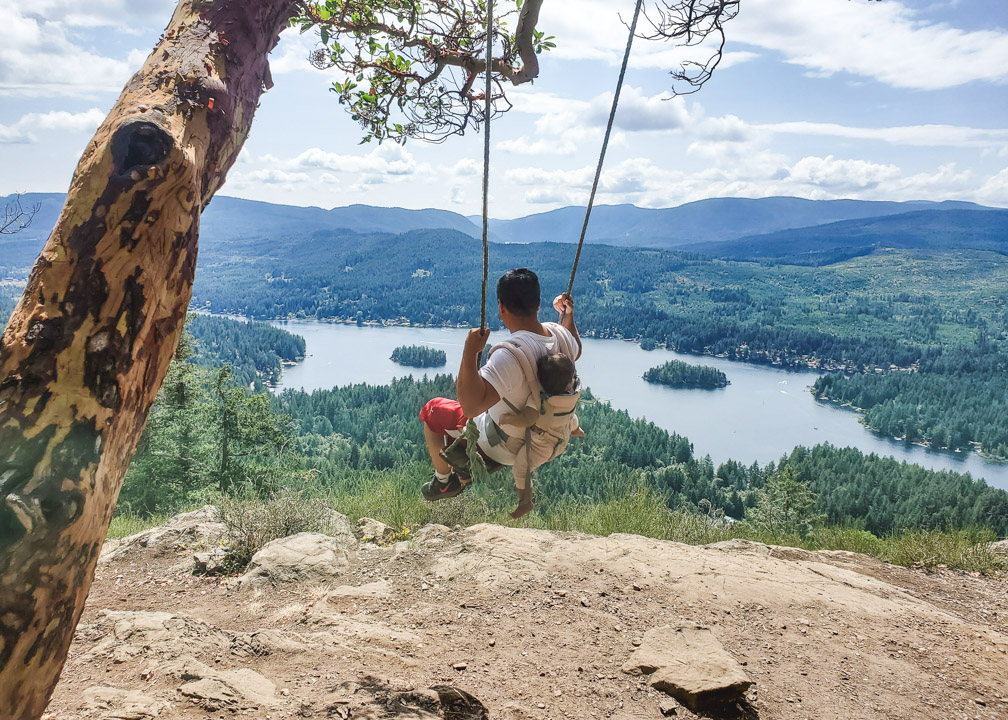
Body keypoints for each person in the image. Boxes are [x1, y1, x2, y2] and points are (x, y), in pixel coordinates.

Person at [419, 268, 582, 508]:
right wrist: (568, 316)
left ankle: (444, 481)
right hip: (554, 435)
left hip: (505, 445)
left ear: (501, 308)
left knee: (432, 410)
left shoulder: (509, 356)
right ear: (538, 305)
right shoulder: (562, 336)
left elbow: (471, 406)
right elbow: (576, 345)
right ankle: (462, 471)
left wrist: (469, 351)